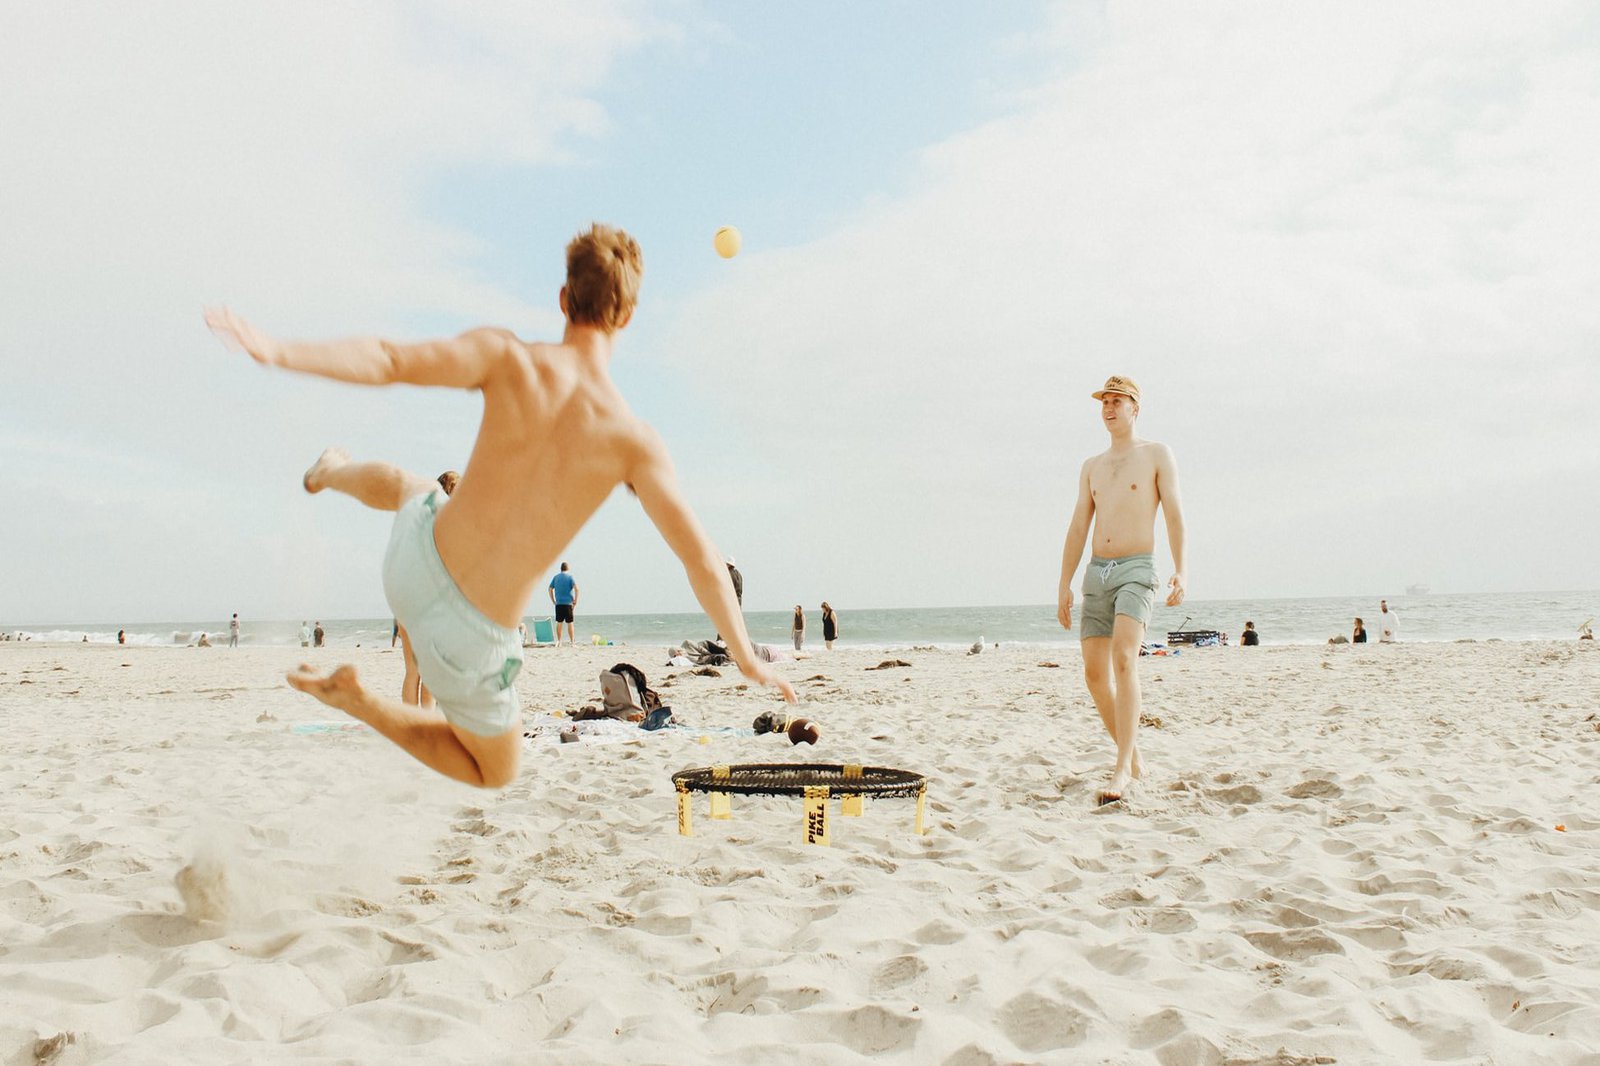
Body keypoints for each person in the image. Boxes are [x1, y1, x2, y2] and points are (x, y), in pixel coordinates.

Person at [206, 223, 794, 788]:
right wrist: (744, 655)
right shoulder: (632, 441)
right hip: (472, 635)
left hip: (411, 568)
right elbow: (703, 563)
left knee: (421, 492)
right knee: (496, 768)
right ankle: (359, 702)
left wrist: (276, 350)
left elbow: (387, 359)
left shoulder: (506, 357)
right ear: (629, 316)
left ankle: (333, 470)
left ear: (563, 298)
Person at [1056, 375, 1187, 807]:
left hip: (1137, 568)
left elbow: (1173, 514)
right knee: (1095, 676)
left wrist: (1181, 570)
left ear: (1136, 408)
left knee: (1125, 659)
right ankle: (1135, 758)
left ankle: (1121, 766)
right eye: (1104, 402)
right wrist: (1064, 583)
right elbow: (1079, 526)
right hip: (1097, 573)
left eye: (1118, 401)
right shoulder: (1092, 465)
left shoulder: (1156, 454)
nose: (1109, 408)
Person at [548, 562, 579, 647]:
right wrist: (575, 600)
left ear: (561, 568)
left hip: (559, 603)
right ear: (567, 568)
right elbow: (577, 589)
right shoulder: (570, 577)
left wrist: (553, 600)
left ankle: (558, 641)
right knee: (570, 623)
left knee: (559, 622)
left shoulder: (556, 577)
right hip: (568, 603)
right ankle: (572, 642)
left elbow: (550, 589)